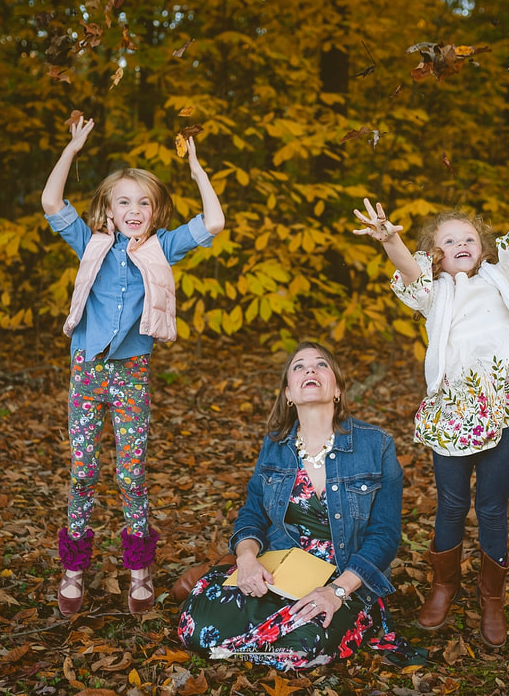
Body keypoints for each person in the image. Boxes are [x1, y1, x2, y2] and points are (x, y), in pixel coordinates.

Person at [352, 143, 509, 647]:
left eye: (468, 238)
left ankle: (491, 599)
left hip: (500, 402)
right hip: (452, 411)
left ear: (482, 246)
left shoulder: (501, 277)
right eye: (448, 241)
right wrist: (390, 239)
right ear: (435, 253)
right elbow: (410, 272)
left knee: (494, 506)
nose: (460, 244)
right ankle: (444, 586)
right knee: (452, 504)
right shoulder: (435, 293)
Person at [41, 113, 225, 616]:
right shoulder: (90, 244)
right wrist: (71, 152)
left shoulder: (162, 249)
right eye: (124, 201)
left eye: (144, 202)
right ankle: (74, 570)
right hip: (87, 372)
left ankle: (139, 573)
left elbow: (213, 223)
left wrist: (195, 170)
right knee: (83, 473)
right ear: (107, 207)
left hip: (131, 374)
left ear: (156, 210)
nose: (134, 210)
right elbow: (52, 203)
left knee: (131, 473)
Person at [176, 342, 424, 670]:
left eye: (321, 365)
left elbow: (385, 537)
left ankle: (260, 639)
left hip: (343, 580)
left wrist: (336, 592)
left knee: (304, 648)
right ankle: (259, 634)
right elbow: (253, 512)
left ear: (336, 389)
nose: (310, 370)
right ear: (288, 394)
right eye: (299, 366)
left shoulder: (375, 445)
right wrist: (247, 559)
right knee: (193, 626)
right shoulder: (276, 446)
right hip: (278, 573)